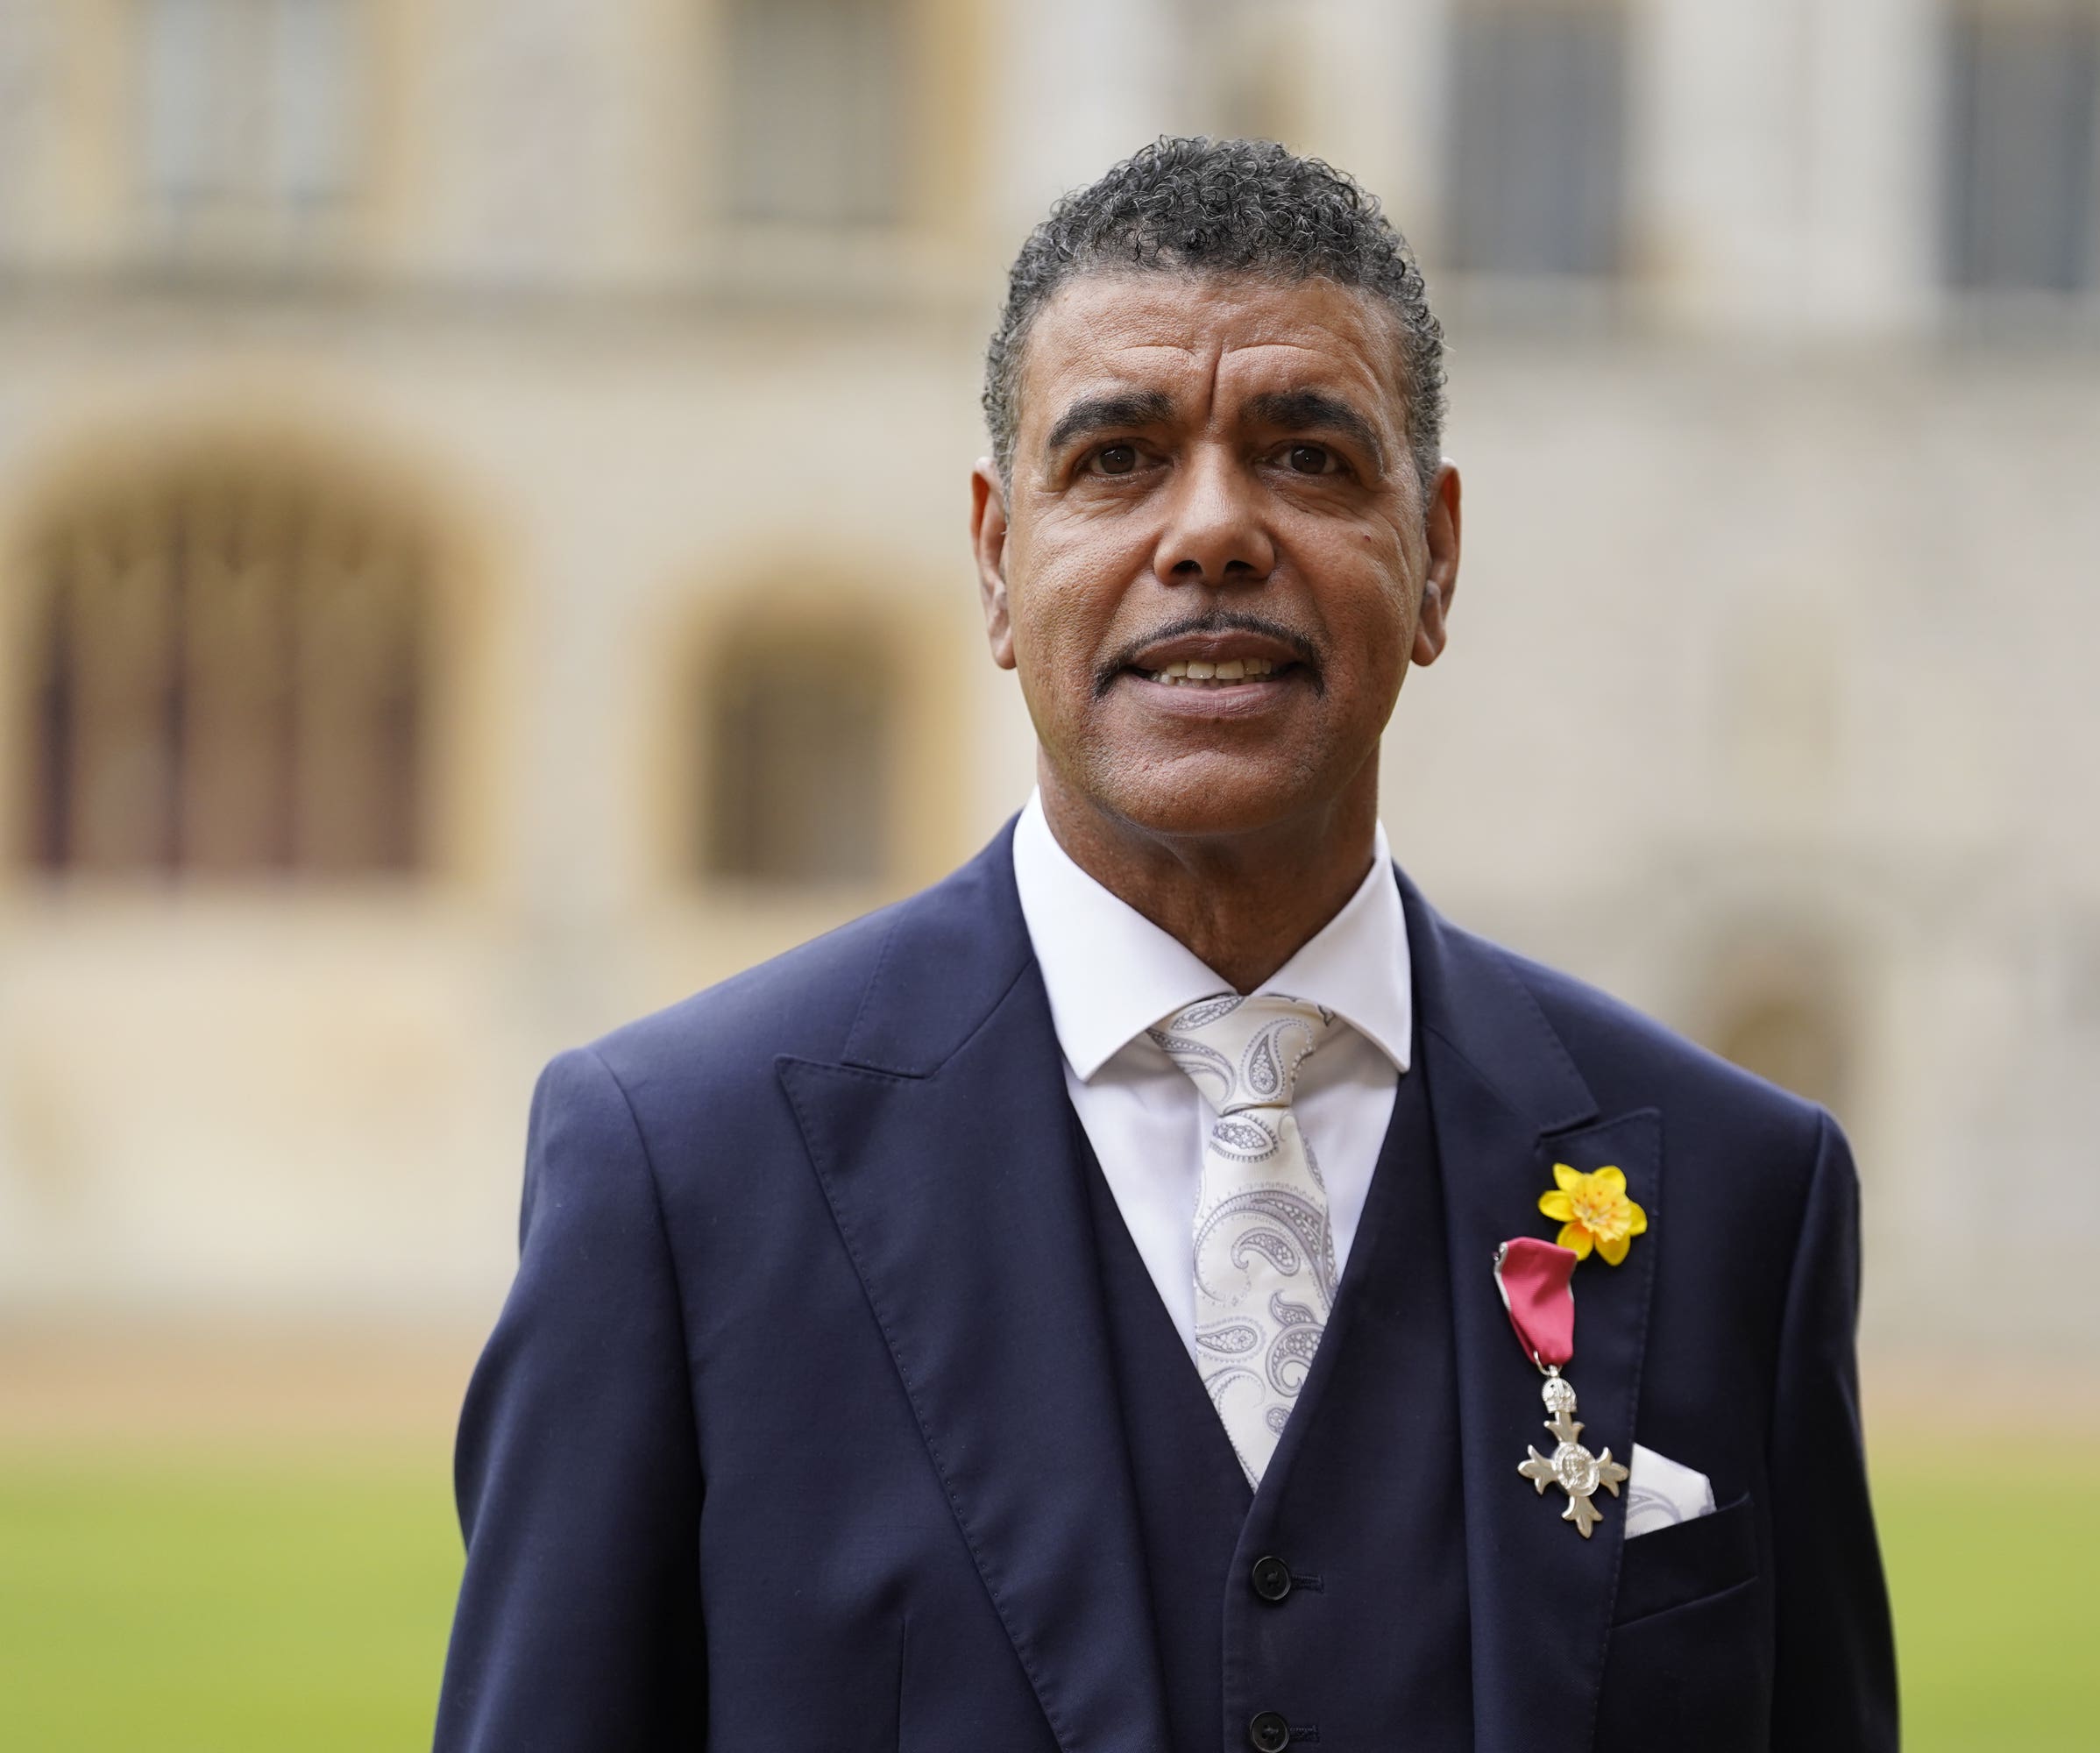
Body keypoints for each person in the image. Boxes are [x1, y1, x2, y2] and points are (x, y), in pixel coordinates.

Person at [435, 137, 1897, 1753]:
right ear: (997, 561)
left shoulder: (1735, 1194)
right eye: (1120, 458)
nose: (1212, 532)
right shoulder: (678, 1174)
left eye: (1310, 458)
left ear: (1440, 557)